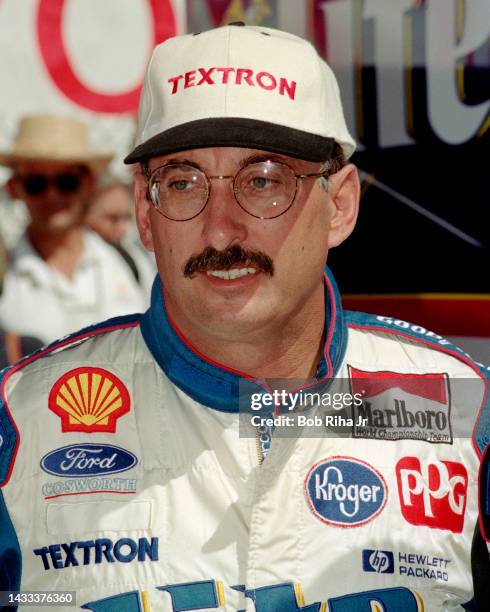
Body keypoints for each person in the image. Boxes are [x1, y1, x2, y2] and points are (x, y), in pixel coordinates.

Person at [0, 24, 488, 612]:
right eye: (182, 183)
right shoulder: (19, 423)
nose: (221, 230)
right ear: (144, 214)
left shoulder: (461, 408)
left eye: (263, 181)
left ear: (340, 206)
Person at [0, 115, 149, 346]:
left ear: (88, 184)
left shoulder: (128, 262)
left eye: (66, 181)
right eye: (36, 183)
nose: (52, 195)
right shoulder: (5, 277)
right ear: (15, 188)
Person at [85, 174, 156, 298]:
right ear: (87, 214)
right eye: (113, 218)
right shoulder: (85, 260)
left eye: (126, 217)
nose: (123, 227)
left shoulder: (132, 250)